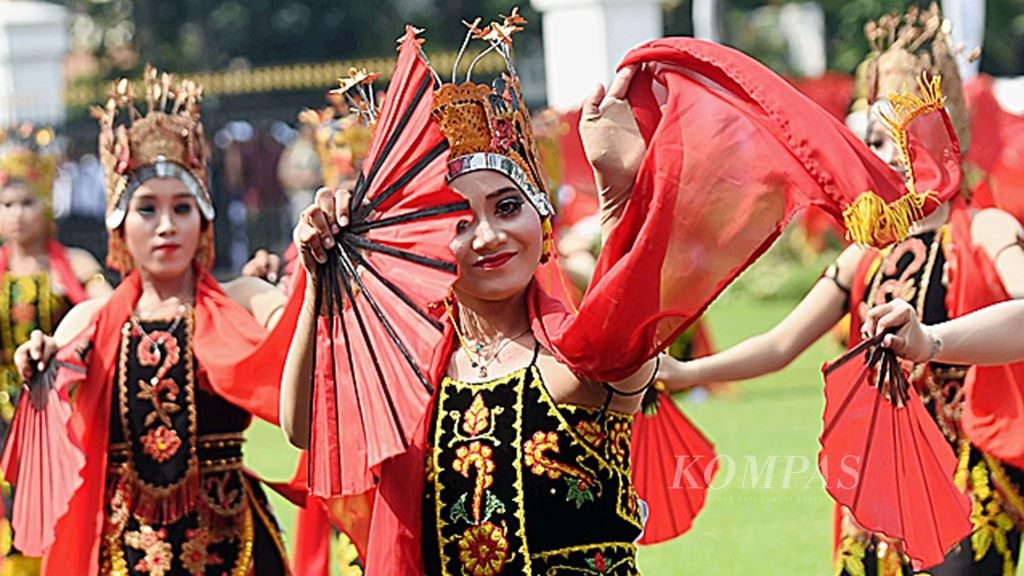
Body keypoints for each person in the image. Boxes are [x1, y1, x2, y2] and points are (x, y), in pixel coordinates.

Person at [657, 6, 1024, 575]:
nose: (869, 155)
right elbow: (782, 345)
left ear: (932, 136)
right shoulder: (865, 255)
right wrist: (685, 374)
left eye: (883, 139)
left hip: (968, 482)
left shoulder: (988, 231)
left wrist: (930, 340)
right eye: (866, 139)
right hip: (882, 486)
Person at [8, 66, 297, 575]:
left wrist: (312, 282)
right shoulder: (91, 320)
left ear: (202, 218)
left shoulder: (244, 299)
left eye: (182, 208)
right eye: (147, 209)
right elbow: (53, 386)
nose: (166, 226)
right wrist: (39, 367)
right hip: (125, 554)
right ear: (119, 220)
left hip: (236, 548)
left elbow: (302, 345)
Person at [0, 124, 110, 575]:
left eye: (28, 203)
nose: (17, 214)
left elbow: (109, 310)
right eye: (7, 204)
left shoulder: (77, 266)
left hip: (60, 411)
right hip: (2, 416)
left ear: (47, 206)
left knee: (66, 511)